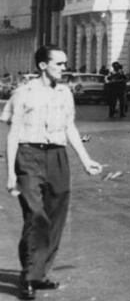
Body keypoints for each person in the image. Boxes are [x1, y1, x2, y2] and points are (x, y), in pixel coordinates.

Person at [3, 45, 102, 300]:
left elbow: (70, 127)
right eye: (59, 64)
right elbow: (13, 134)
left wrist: (85, 159)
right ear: (43, 65)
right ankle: (29, 276)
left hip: (57, 156)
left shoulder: (65, 94)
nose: (64, 68)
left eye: (64, 63)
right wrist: (11, 174)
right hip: (28, 155)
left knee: (56, 215)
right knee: (36, 215)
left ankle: (40, 274)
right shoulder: (22, 93)